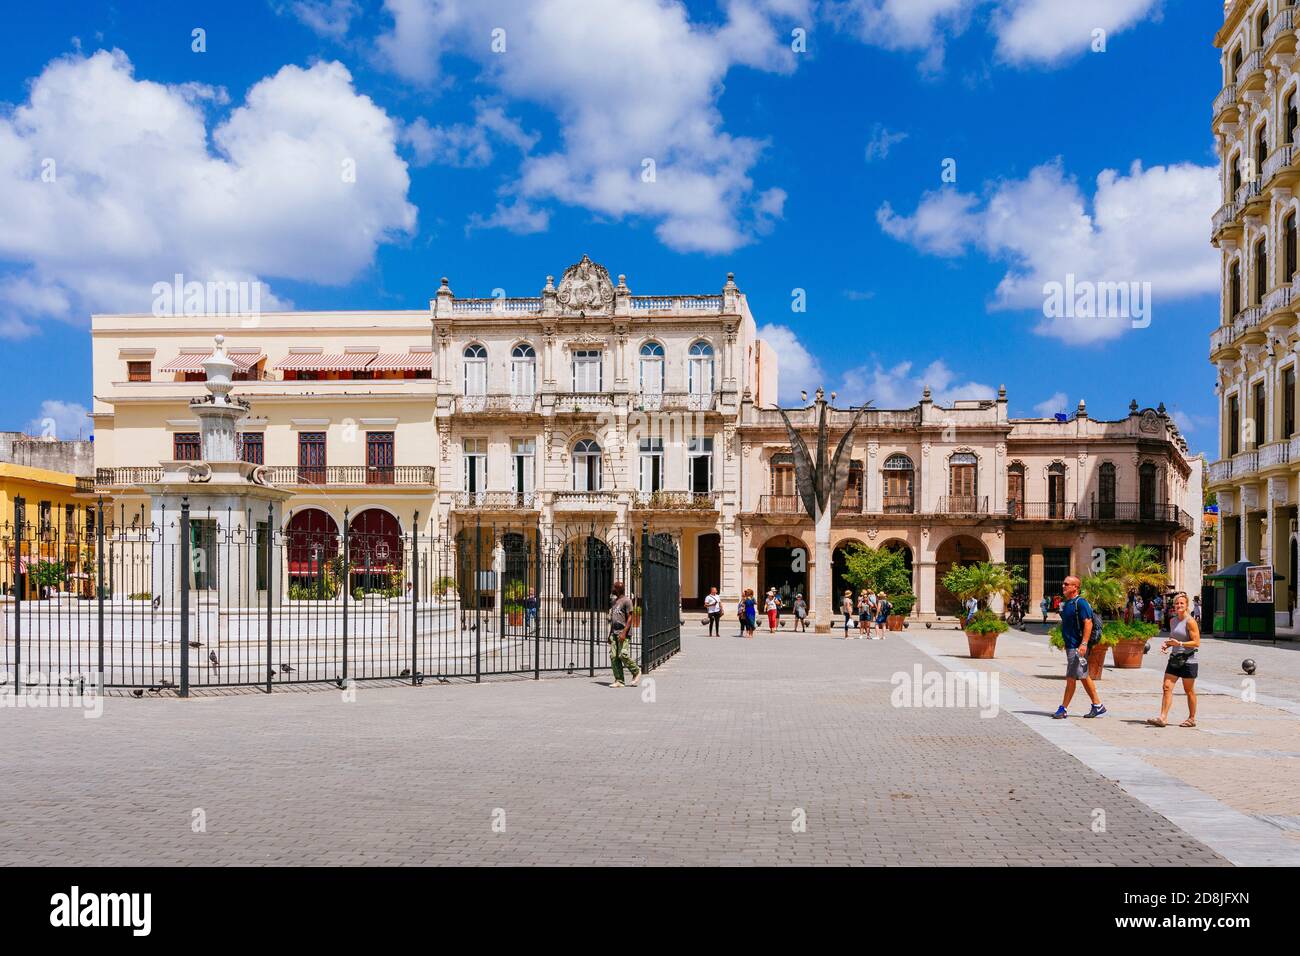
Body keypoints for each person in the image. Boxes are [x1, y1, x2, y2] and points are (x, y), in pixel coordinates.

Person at [1052, 575, 1106, 719]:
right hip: (1071, 645)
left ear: (1075, 587)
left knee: (1071, 677)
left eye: (1067, 584)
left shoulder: (1081, 603)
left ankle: (1063, 709)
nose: (1063, 586)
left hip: (1077, 646)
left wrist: (1083, 644)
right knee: (1082, 676)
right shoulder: (1067, 603)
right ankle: (1097, 705)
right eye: (1063, 583)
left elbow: (1088, 623)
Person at [1147, 593, 1200, 728]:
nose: (1179, 606)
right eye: (1177, 603)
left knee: (1189, 690)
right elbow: (1174, 639)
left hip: (1189, 660)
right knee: (1166, 687)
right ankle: (1163, 717)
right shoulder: (1172, 621)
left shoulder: (1190, 621)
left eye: (1182, 603)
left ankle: (1192, 718)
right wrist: (1168, 644)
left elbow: (1196, 642)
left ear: (1187, 605)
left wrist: (1180, 644)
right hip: (1175, 659)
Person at [607, 580, 640, 688]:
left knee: (623, 655)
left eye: (614, 587)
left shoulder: (627, 601)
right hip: (614, 633)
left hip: (623, 633)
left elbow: (630, 617)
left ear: (618, 589)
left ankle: (636, 671)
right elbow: (613, 619)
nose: (612, 589)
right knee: (613, 656)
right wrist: (610, 634)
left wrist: (624, 632)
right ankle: (619, 680)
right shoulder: (615, 602)